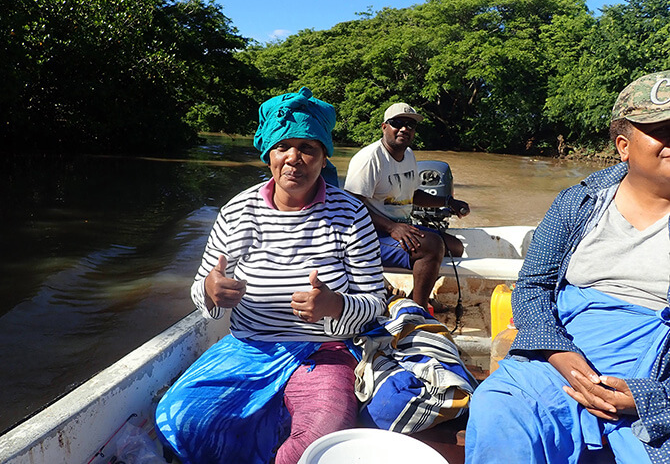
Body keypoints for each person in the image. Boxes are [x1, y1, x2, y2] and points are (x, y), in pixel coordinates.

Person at [154, 87, 387, 464]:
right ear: (268, 156)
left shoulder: (350, 214)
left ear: (324, 156)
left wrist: (335, 305)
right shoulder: (237, 210)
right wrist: (211, 293)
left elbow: (376, 302)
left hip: (324, 352)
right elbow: (200, 288)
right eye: (283, 147)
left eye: (308, 147)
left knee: (319, 442)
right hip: (248, 346)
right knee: (182, 422)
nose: (294, 158)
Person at [465, 71, 670, 463]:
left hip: (658, 372)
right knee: (499, 410)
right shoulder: (579, 203)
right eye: (663, 130)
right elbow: (533, 286)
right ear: (624, 146)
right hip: (561, 354)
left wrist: (651, 399)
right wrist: (559, 354)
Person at [344, 102, 470, 309]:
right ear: (384, 127)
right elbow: (351, 207)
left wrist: (447, 201)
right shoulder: (369, 159)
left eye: (410, 125)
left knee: (455, 247)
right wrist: (392, 228)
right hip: (368, 234)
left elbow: (413, 195)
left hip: (398, 227)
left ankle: (410, 300)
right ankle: (417, 312)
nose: (405, 129)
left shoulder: (409, 155)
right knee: (431, 246)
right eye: (398, 123)